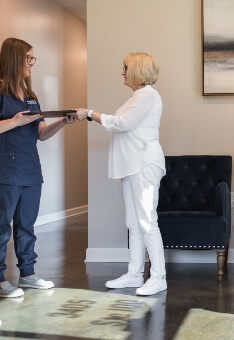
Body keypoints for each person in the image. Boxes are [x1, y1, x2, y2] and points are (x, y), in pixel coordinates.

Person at [76, 52, 167, 296]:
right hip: (132, 165)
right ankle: (135, 274)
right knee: (134, 224)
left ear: (137, 69)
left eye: (125, 67)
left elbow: (121, 124)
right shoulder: (137, 97)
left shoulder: (147, 95)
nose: (122, 72)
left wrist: (90, 113)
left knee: (147, 221)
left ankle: (158, 277)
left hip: (144, 164)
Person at [0, 37, 78, 298]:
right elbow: (11, 125)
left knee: (26, 225)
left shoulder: (31, 96)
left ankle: (28, 275)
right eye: (28, 58)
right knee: (2, 226)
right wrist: (15, 121)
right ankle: (0, 280)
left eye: (33, 58)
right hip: (6, 170)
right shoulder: (1, 91)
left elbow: (41, 134)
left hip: (31, 168)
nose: (32, 63)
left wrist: (62, 122)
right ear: (14, 59)